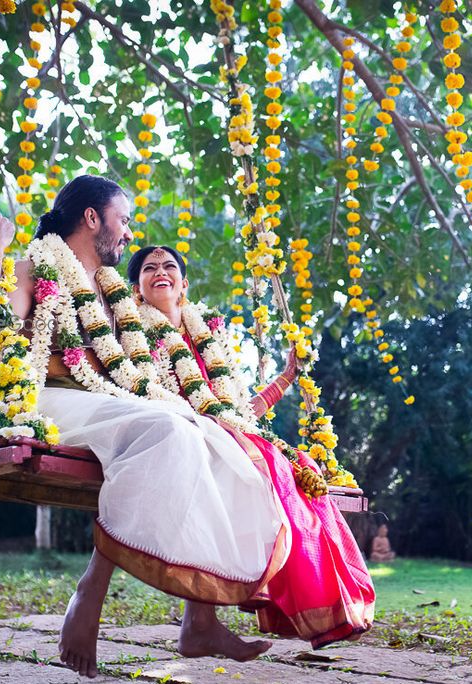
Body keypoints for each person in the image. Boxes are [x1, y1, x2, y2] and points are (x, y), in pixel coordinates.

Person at [0, 176, 290, 678]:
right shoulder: (35, 266)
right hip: (53, 401)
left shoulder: (117, 295)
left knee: (220, 443)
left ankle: (200, 619)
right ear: (92, 218)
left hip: (114, 402)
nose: (129, 232)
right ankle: (90, 591)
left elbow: (151, 365)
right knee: (170, 431)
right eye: (124, 219)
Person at [128, 245, 374, 649]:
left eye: (170, 266)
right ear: (136, 288)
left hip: (226, 431)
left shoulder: (206, 332)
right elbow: (138, 390)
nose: (161, 272)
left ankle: (322, 605)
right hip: (176, 432)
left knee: (302, 469)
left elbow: (240, 408)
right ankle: (202, 625)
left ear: (184, 283)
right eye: (149, 268)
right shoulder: (131, 328)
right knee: (264, 469)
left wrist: (286, 377)